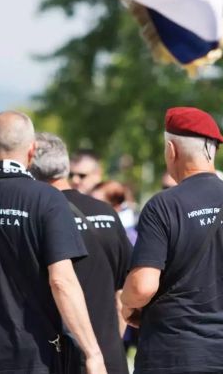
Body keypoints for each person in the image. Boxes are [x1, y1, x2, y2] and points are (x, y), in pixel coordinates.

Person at [0, 111, 105, 374]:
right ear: (32, 150)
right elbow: (61, 281)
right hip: (38, 360)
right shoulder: (49, 201)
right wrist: (93, 353)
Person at [121, 107, 223, 374]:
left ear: (171, 149)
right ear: (213, 151)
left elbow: (143, 286)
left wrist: (126, 303)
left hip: (172, 358)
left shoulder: (163, 206)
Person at [31, 132, 132, 374]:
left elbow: (58, 283)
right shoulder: (108, 213)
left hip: (58, 358)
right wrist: (108, 344)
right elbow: (124, 293)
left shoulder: (38, 215)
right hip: (109, 357)